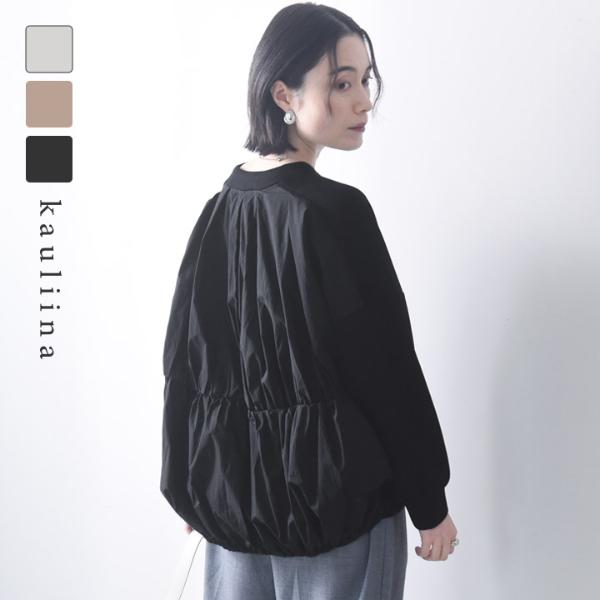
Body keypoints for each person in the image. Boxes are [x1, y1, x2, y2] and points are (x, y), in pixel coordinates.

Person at [161, 3, 459, 599]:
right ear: (283, 95)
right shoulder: (336, 213)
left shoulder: (219, 211)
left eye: (366, 80)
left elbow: (183, 367)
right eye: (341, 84)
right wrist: (430, 503)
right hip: (340, 513)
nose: (364, 101)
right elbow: (386, 372)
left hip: (236, 519)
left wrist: (191, 486)